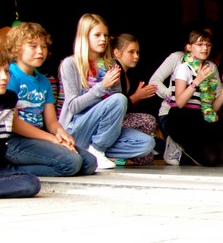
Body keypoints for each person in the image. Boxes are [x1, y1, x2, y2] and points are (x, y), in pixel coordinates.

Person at [57, 14, 155, 169]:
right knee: (119, 99)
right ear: (85, 36)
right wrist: (103, 86)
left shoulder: (110, 65)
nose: (103, 39)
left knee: (147, 143)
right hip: (77, 128)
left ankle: (92, 151)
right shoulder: (70, 63)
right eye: (97, 35)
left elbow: (117, 108)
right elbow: (73, 107)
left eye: (105, 35)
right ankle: (97, 150)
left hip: (102, 132)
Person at [4, 22, 97, 177]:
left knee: (89, 163)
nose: (40, 51)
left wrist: (61, 134)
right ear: (16, 49)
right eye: (33, 46)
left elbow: (51, 122)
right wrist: (52, 139)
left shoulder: (44, 81)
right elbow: (14, 123)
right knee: (71, 163)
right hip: (14, 141)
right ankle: (9, 169)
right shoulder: (10, 76)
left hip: (37, 138)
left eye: (44, 46)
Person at [163, 28, 223, 166]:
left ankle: (192, 145)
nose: (205, 48)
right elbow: (180, 102)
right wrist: (197, 81)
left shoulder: (209, 69)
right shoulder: (183, 68)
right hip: (181, 117)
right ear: (189, 47)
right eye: (200, 44)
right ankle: (174, 143)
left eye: (207, 45)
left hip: (199, 118)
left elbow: (213, 108)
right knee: (211, 158)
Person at [0, 47, 41, 197]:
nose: (4, 77)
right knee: (29, 183)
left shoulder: (9, 98)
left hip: (0, 167)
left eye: (6, 71)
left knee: (30, 181)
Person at [111, 33, 160, 165]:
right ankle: (117, 154)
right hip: (110, 123)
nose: (136, 56)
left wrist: (139, 96)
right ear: (116, 53)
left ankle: (133, 155)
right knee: (149, 121)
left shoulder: (125, 73)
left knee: (147, 157)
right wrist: (137, 96)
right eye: (131, 52)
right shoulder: (115, 71)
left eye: (137, 52)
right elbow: (116, 105)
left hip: (120, 119)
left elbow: (127, 105)